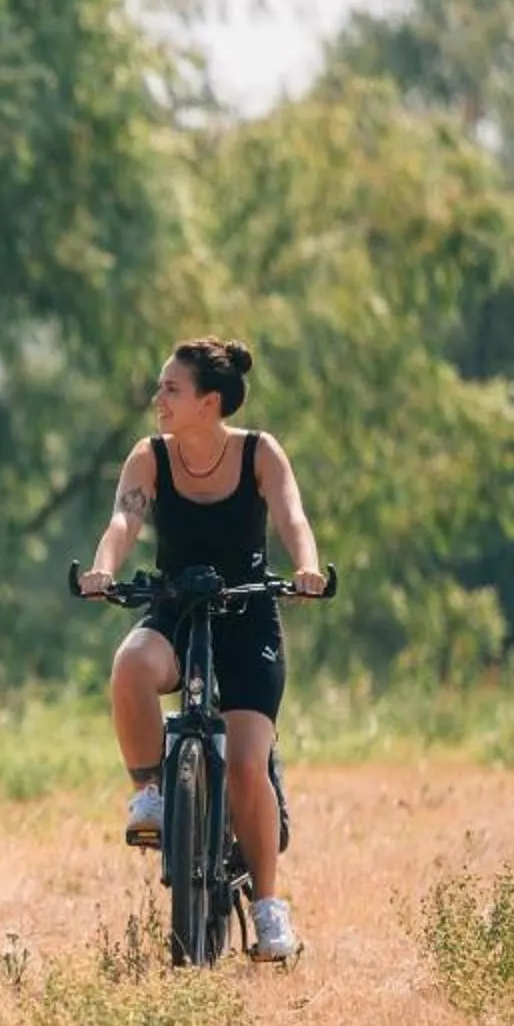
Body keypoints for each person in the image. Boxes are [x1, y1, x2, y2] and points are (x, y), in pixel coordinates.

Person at [77, 337, 328, 961]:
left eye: (171, 389)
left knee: (246, 766)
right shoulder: (150, 458)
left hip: (247, 616)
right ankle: (153, 793)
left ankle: (269, 912)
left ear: (208, 401)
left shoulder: (259, 453)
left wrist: (308, 566)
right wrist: (104, 569)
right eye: (160, 388)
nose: (158, 399)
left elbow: (293, 517)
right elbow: (123, 523)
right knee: (131, 666)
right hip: (177, 606)